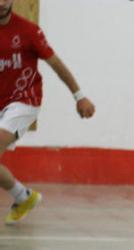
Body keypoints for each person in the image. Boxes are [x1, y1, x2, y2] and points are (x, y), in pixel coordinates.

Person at [0, 0, 95, 225]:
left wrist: (79, 96)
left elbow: (56, 63)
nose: (2, 3)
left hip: (23, 102)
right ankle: (23, 196)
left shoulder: (28, 31)